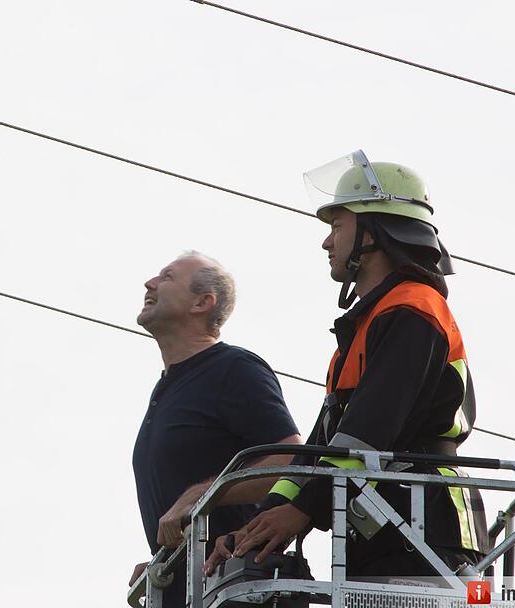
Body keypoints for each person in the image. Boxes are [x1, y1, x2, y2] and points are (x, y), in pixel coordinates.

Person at [204, 151, 488, 578]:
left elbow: (370, 432)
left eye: (338, 225)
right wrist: (259, 523)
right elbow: (321, 451)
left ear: (374, 230)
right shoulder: (363, 330)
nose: (327, 240)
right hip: (385, 524)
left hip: (430, 526)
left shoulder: (415, 309)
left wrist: (303, 511)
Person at [129, 251, 301, 605]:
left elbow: (292, 461)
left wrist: (202, 494)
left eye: (167, 277)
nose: (150, 283)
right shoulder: (168, 388)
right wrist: (165, 564)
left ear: (202, 302)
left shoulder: (233, 369)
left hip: (239, 591)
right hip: (197, 591)